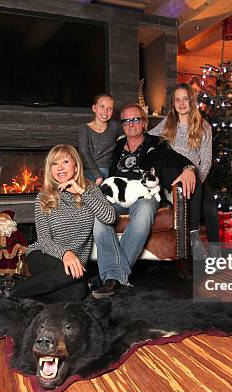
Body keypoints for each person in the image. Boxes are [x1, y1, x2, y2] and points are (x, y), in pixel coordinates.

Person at [91, 103, 196, 299]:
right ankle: (116, 277)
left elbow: (176, 158)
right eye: (126, 121)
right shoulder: (116, 148)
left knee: (146, 210)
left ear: (144, 122)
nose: (131, 124)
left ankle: (111, 278)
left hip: (143, 195)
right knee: (99, 215)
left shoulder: (157, 143)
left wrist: (189, 168)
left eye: (136, 119)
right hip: (117, 195)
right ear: (122, 125)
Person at [0, 144, 116, 303]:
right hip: (44, 254)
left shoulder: (90, 190)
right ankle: (9, 292)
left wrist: (81, 192)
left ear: (76, 166)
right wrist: (65, 254)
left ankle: (22, 287)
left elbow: (109, 217)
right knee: (68, 275)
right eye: (54, 163)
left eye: (65, 162)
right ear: (50, 169)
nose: (59, 168)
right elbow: (44, 240)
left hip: (76, 262)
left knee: (77, 293)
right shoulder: (44, 196)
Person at [149, 83, 218, 258]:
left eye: (185, 99)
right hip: (171, 171)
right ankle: (193, 242)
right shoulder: (168, 122)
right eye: (177, 100)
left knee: (209, 205)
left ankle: (216, 249)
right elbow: (149, 137)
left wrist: (197, 182)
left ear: (192, 101)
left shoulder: (204, 127)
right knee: (194, 186)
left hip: (195, 174)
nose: (181, 103)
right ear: (173, 103)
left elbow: (207, 160)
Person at [78, 94, 121, 185]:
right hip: (88, 169)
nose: (105, 111)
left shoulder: (114, 126)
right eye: (102, 106)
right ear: (94, 108)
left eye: (110, 108)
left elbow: (130, 133)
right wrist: (98, 175)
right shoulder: (84, 128)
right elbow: (84, 153)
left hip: (106, 170)